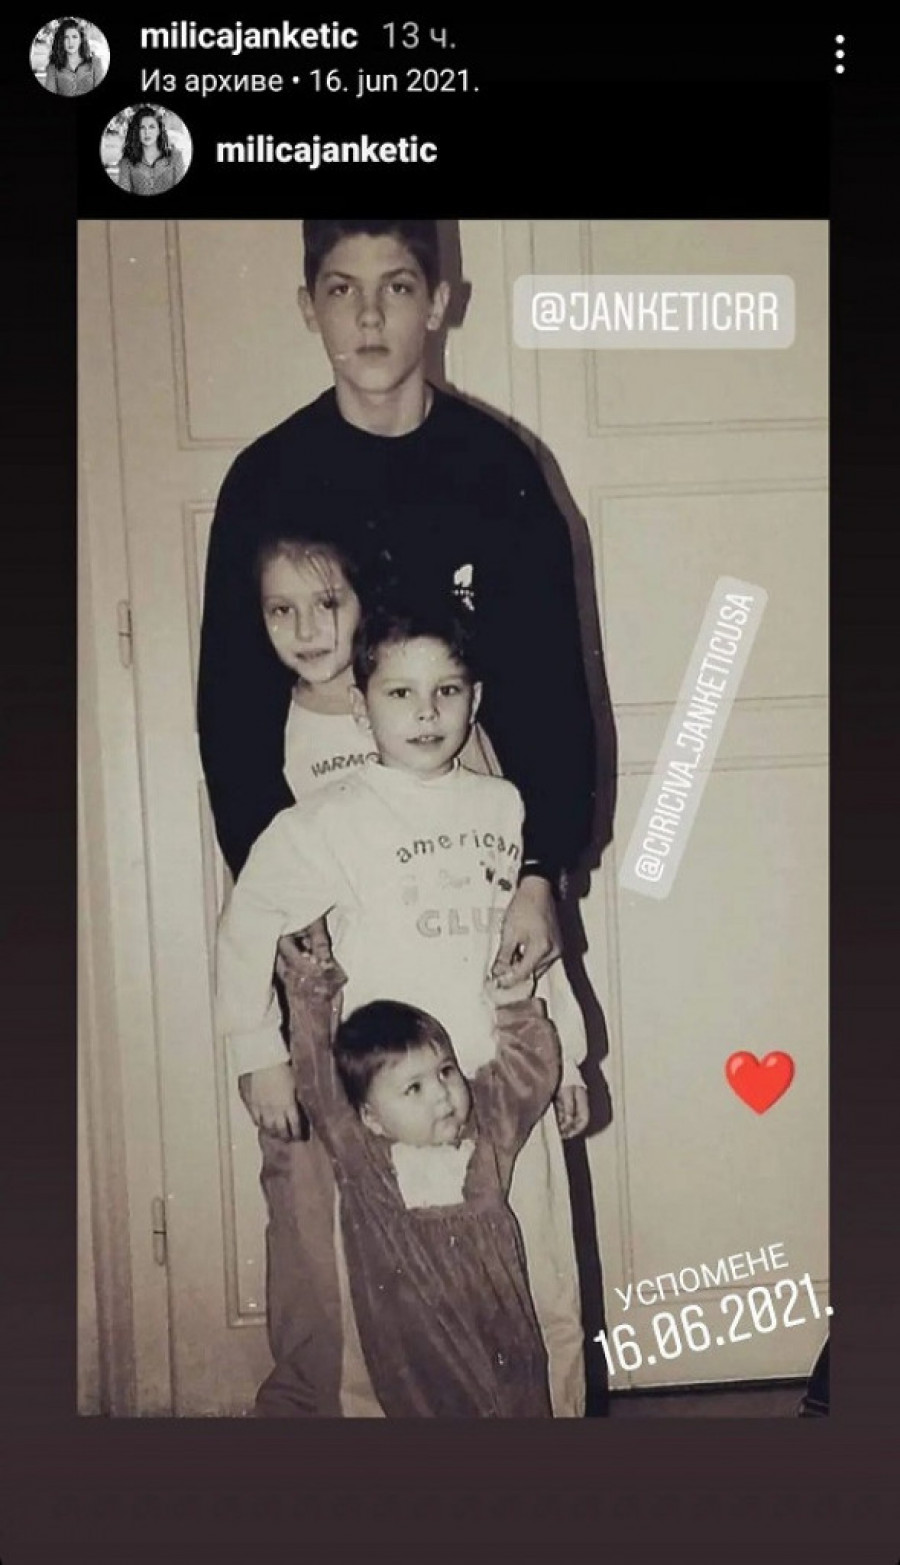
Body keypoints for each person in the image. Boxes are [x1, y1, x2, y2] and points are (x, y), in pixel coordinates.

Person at [199, 219, 603, 997]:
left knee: (496, 1065)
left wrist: (541, 871)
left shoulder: (498, 471)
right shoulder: (265, 482)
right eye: (342, 289)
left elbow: (550, 691)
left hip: (473, 875)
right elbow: (232, 714)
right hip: (325, 880)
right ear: (308, 306)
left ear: (438, 303)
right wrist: (275, 891)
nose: (370, 316)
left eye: (398, 287)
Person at [217, 600, 589, 1415]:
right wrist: (258, 1050)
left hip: (503, 1084)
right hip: (393, 1104)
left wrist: (569, 1061)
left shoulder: (506, 807)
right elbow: (247, 921)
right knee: (384, 1301)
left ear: (475, 699)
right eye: (399, 693)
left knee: (543, 1277)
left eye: (446, 690)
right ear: (361, 705)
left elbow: (535, 944)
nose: (426, 713)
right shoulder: (329, 821)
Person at [278, 958, 559, 1417]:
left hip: (501, 1337)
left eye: (446, 1071)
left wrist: (515, 1006)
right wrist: (311, 989)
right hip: (417, 1360)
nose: (441, 1093)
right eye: (414, 1088)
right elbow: (316, 1082)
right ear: (371, 1117)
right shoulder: (365, 1162)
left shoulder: (487, 1130)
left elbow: (529, 1078)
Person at [117, 106, 185, 196]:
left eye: (152, 127)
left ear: (159, 130)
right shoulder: (127, 162)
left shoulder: (175, 156)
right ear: (136, 131)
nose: (147, 132)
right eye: (142, 128)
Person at [43, 19, 105, 95]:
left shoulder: (95, 62)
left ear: (81, 40)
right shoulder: (53, 67)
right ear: (61, 41)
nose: (70, 42)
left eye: (74, 37)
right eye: (66, 37)